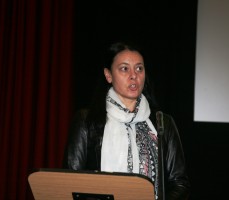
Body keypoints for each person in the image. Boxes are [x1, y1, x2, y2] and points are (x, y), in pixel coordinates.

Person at [63, 41, 190, 200]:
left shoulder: (162, 122)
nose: (133, 75)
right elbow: (71, 180)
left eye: (139, 68)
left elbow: (180, 184)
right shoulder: (87, 120)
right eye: (124, 69)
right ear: (108, 75)